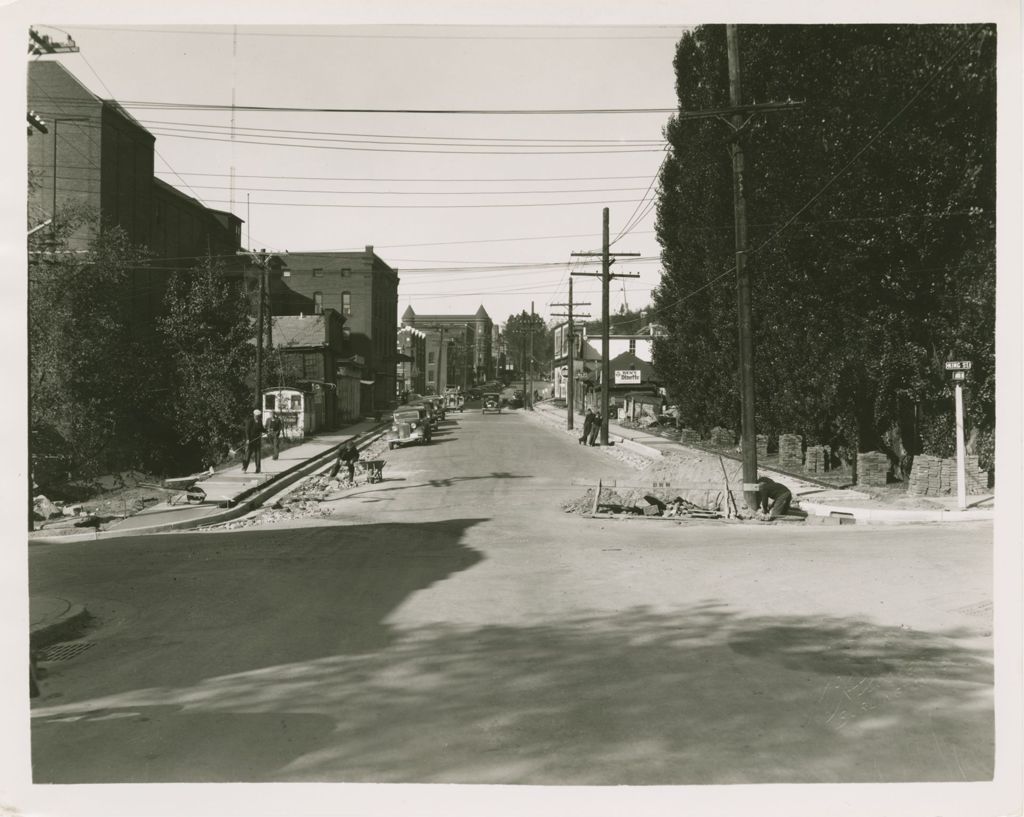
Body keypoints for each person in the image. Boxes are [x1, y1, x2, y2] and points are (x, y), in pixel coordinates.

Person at [242, 409, 265, 473]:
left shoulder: (260, 421)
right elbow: (247, 431)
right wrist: (248, 439)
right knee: (248, 454)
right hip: (251, 440)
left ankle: (258, 469)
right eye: (257, 416)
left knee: (258, 455)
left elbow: (262, 429)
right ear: (254, 415)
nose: (258, 417)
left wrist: (267, 431)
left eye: (259, 416)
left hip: (257, 440)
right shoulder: (250, 421)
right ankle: (244, 468)